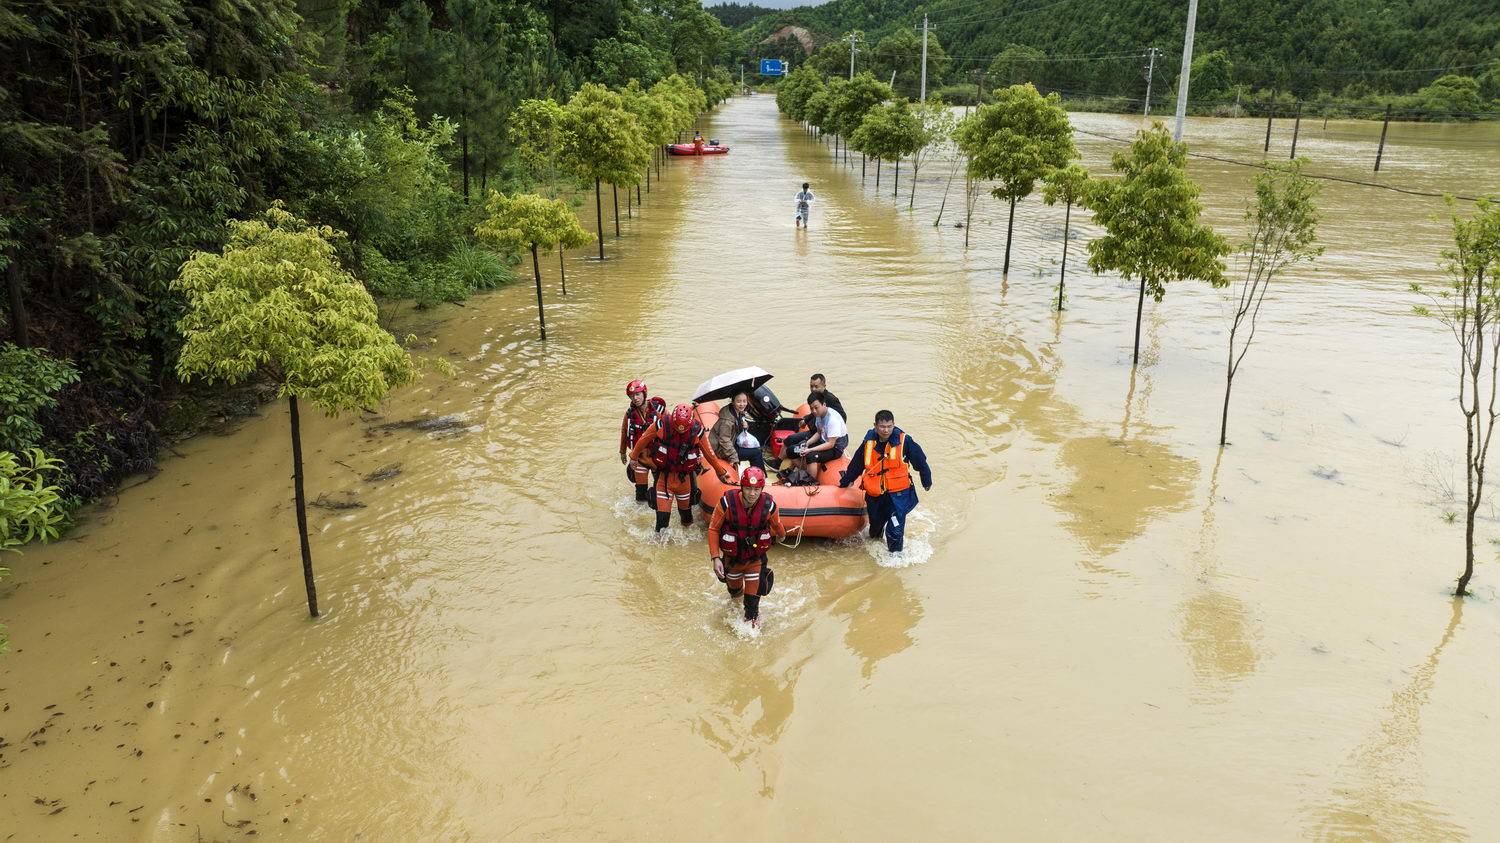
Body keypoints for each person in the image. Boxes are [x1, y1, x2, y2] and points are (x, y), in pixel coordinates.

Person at [839, 410, 933, 554]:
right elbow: (857, 464)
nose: (886, 430)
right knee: (875, 528)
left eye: (889, 426)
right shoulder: (868, 443)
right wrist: (846, 481)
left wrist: (926, 480)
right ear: (875, 426)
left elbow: (920, 462)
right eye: (882, 426)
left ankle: (895, 559)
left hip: (898, 495)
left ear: (894, 425)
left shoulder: (905, 441)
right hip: (875, 495)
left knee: (895, 529)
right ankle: (875, 549)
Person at [631, 403, 732, 531]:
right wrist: (633, 457)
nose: (680, 430)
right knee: (661, 524)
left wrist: (721, 472)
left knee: (686, 519)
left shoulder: (697, 432)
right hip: (664, 479)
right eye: (678, 427)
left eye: (684, 428)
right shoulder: (661, 425)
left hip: (684, 481)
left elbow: (709, 454)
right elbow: (644, 439)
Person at [708, 466, 785, 629]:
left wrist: (782, 534)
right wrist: (715, 558)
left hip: (755, 561)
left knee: (751, 609)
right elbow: (714, 529)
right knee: (735, 595)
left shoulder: (769, 505)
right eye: (749, 488)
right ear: (742, 487)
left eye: (756, 489)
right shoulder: (726, 503)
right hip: (732, 560)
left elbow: (777, 525)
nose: (752, 493)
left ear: (762, 489)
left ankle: (752, 629)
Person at [782, 394, 848, 483]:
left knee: (811, 455)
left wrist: (810, 449)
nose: (814, 411)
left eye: (816, 407)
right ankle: (804, 471)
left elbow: (830, 444)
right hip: (823, 440)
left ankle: (810, 482)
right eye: (811, 408)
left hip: (835, 447)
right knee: (791, 450)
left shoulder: (832, 420)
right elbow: (819, 433)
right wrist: (807, 443)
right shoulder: (818, 416)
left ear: (824, 404)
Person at [619, 380, 666, 504]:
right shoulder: (629, 414)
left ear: (644, 393)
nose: (635, 398)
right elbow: (624, 432)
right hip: (639, 458)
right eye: (632, 396)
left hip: (657, 458)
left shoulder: (659, 410)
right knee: (640, 495)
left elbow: (671, 427)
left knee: (660, 493)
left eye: (638, 394)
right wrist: (622, 452)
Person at [709, 391, 765, 473]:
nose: (742, 404)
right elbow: (724, 440)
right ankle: (759, 476)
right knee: (756, 453)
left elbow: (736, 431)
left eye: (744, 401)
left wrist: (745, 426)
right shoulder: (727, 421)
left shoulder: (738, 412)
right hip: (721, 450)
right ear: (733, 402)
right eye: (738, 401)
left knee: (757, 448)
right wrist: (733, 457)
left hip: (732, 441)